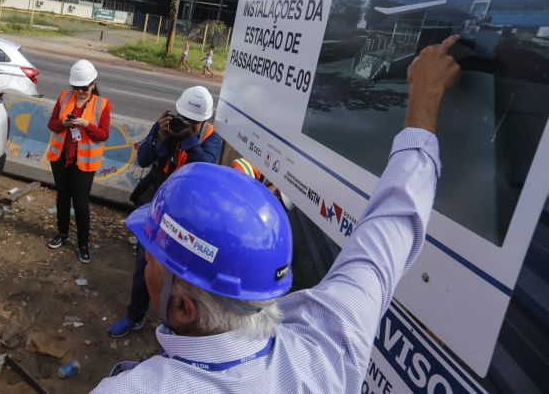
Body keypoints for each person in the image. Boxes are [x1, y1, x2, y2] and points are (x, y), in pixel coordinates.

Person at [92, 36, 462, 393]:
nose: (145, 266)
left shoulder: (134, 387)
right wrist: (424, 106)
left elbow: (390, 229)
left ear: (184, 306)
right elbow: (391, 225)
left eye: (155, 261)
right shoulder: (327, 347)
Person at [108, 85, 223, 338]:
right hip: (159, 204)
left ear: (205, 120)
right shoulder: (167, 126)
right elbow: (144, 160)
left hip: (188, 215)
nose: (185, 124)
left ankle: (176, 326)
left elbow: (205, 168)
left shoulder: (212, 138)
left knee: (182, 275)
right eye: (184, 118)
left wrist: (188, 140)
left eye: (193, 122)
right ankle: (134, 316)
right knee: (144, 265)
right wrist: (159, 136)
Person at [46, 59, 111, 263]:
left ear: (93, 84)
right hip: (61, 159)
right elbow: (52, 124)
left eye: (84, 88)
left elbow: (103, 134)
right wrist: (64, 123)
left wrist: (86, 124)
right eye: (76, 87)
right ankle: (62, 233)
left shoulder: (102, 104)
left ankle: (83, 244)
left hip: (84, 163)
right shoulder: (65, 97)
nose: (80, 91)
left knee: (81, 203)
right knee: (62, 198)